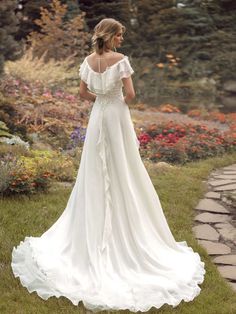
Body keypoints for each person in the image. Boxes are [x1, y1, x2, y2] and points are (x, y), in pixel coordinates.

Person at [11, 18, 206, 312]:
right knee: (123, 167)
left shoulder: (88, 61)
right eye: (121, 35)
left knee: (94, 168)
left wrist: (100, 97)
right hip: (115, 116)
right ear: (112, 35)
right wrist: (115, 98)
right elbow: (131, 95)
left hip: (98, 115)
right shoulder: (121, 61)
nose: (122, 40)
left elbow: (82, 94)